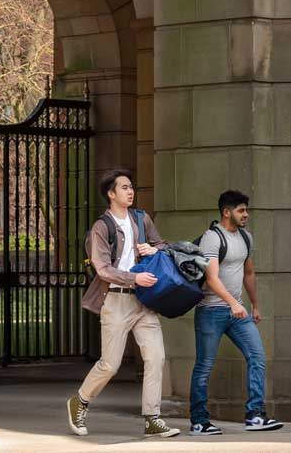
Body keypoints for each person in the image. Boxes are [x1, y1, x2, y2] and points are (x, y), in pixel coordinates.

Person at [65, 170, 182, 438]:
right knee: (110, 364)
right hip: (116, 299)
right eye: (125, 187)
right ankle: (80, 401)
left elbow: (163, 246)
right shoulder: (101, 227)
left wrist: (154, 250)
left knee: (156, 358)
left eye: (132, 187)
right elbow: (103, 269)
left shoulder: (142, 219)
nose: (131, 192)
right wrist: (134, 277)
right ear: (111, 193)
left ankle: (152, 418)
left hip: (144, 300)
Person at [188, 190, 281, 435]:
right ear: (226, 212)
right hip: (211, 311)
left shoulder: (246, 238)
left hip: (237, 313)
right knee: (204, 366)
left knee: (257, 357)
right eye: (241, 210)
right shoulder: (212, 238)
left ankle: (255, 416)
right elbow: (212, 279)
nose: (246, 214)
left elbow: (249, 273)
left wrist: (255, 305)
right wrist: (233, 303)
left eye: (246, 210)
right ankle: (199, 421)